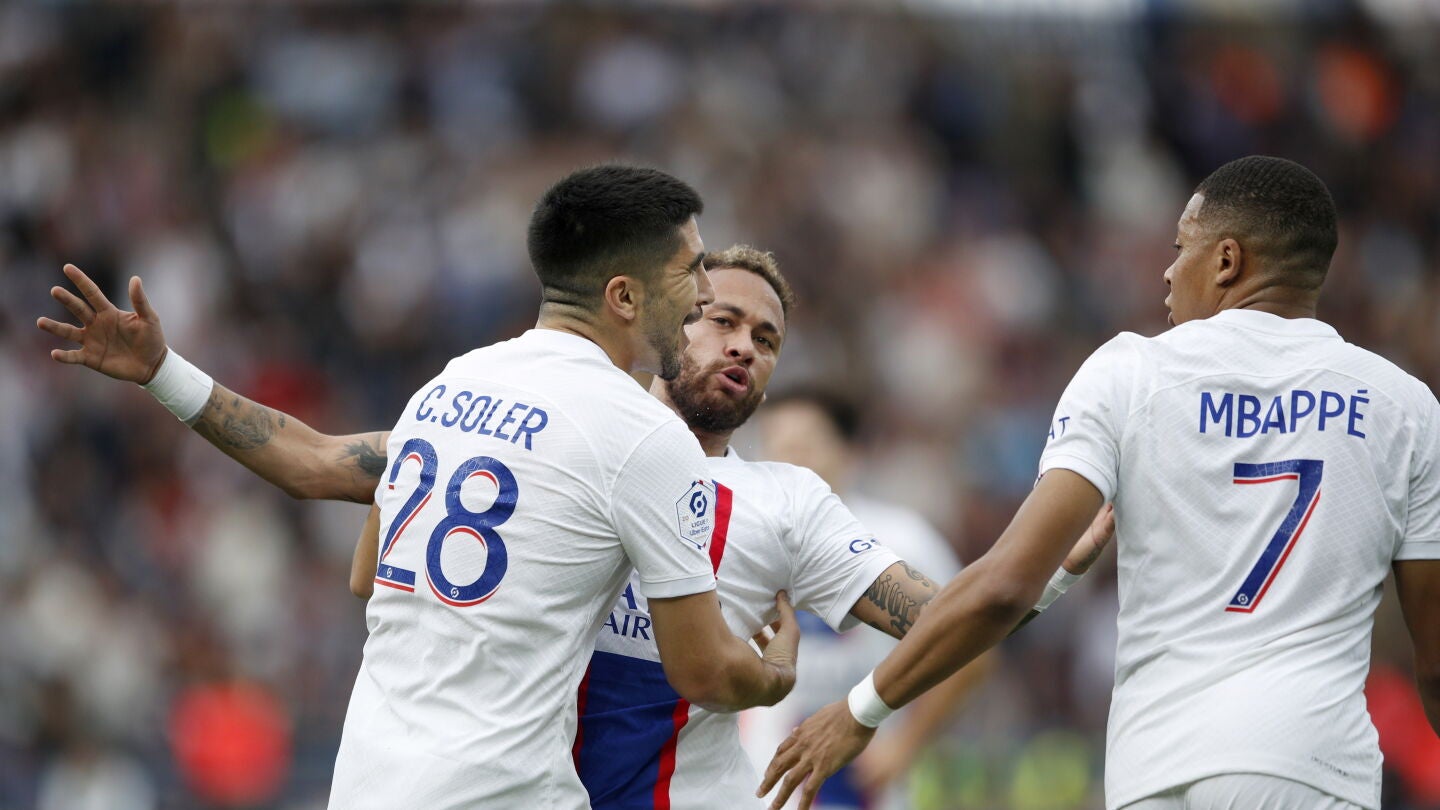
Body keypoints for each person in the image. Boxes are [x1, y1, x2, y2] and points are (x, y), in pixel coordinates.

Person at [42, 239, 1110, 808]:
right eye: (722, 320)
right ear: (668, 322)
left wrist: (1045, 576)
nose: (743, 347)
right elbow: (319, 462)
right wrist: (167, 373)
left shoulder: (789, 508)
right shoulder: (545, 432)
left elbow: (946, 614)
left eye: (767, 338)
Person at [39, 164, 802, 810]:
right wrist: (775, 677)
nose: (704, 292)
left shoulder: (452, 386)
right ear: (625, 296)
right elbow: (701, 670)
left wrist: (163, 372)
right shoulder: (645, 437)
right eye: (690, 270)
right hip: (502, 792)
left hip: (370, 785)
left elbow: (315, 471)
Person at [759, 155, 1440, 810]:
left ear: (1227, 261)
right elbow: (1434, 661)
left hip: (1155, 765)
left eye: (1181, 249)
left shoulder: (1130, 373)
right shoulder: (1405, 408)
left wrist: (861, 709)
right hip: (1309, 762)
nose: (1168, 273)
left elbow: (1004, 584)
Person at [742, 389, 971, 810]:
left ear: (850, 452)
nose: (787, 461)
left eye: (803, 446)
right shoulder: (744, 542)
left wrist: (906, 743)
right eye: (774, 446)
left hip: (863, 790)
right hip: (760, 785)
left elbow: (971, 646)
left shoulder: (902, 540)